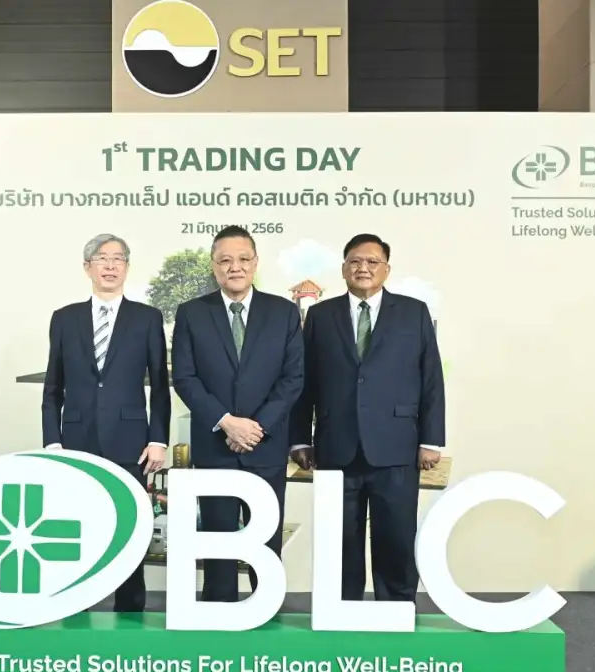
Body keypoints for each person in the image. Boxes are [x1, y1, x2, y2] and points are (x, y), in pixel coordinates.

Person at [290, 233, 445, 603]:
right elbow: (304, 381)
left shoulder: (414, 313)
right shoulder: (320, 316)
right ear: (344, 268)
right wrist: (300, 438)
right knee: (340, 539)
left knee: (396, 537)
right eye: (355, 261)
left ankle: (397, 609)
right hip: (335, 445)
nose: (363, 268)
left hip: (397, 445)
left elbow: (431, 378)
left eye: (372, 262)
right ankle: (341, 608)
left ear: (386, 269)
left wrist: (431, 439)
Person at [171, 225, 304, 603]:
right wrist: (227, 422)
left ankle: (267, 610)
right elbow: (185, 378)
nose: (235, 267)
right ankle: (218, 615)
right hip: (215, 446)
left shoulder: (283, 312)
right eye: (225, 260)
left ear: (255, 263)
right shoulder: (192, 313)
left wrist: (255, 427)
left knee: (267, 542)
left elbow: (293, 377)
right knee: (217, 543)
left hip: (266, 446)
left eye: (244, 259)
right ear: (213, 266)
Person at [41, 233, 171, 612]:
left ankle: (130, 612)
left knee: (129, 528)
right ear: (88, 268)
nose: (110, 265)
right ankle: (75, 608)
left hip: (131, 442)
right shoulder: (64, 319)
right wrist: (53, 441)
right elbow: (53, 386)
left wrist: (158, 438)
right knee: (77, 528)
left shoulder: (147, 318)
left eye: (118, 259)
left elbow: (160, 386)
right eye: (102, 258)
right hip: (76, 440)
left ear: (127, 267)